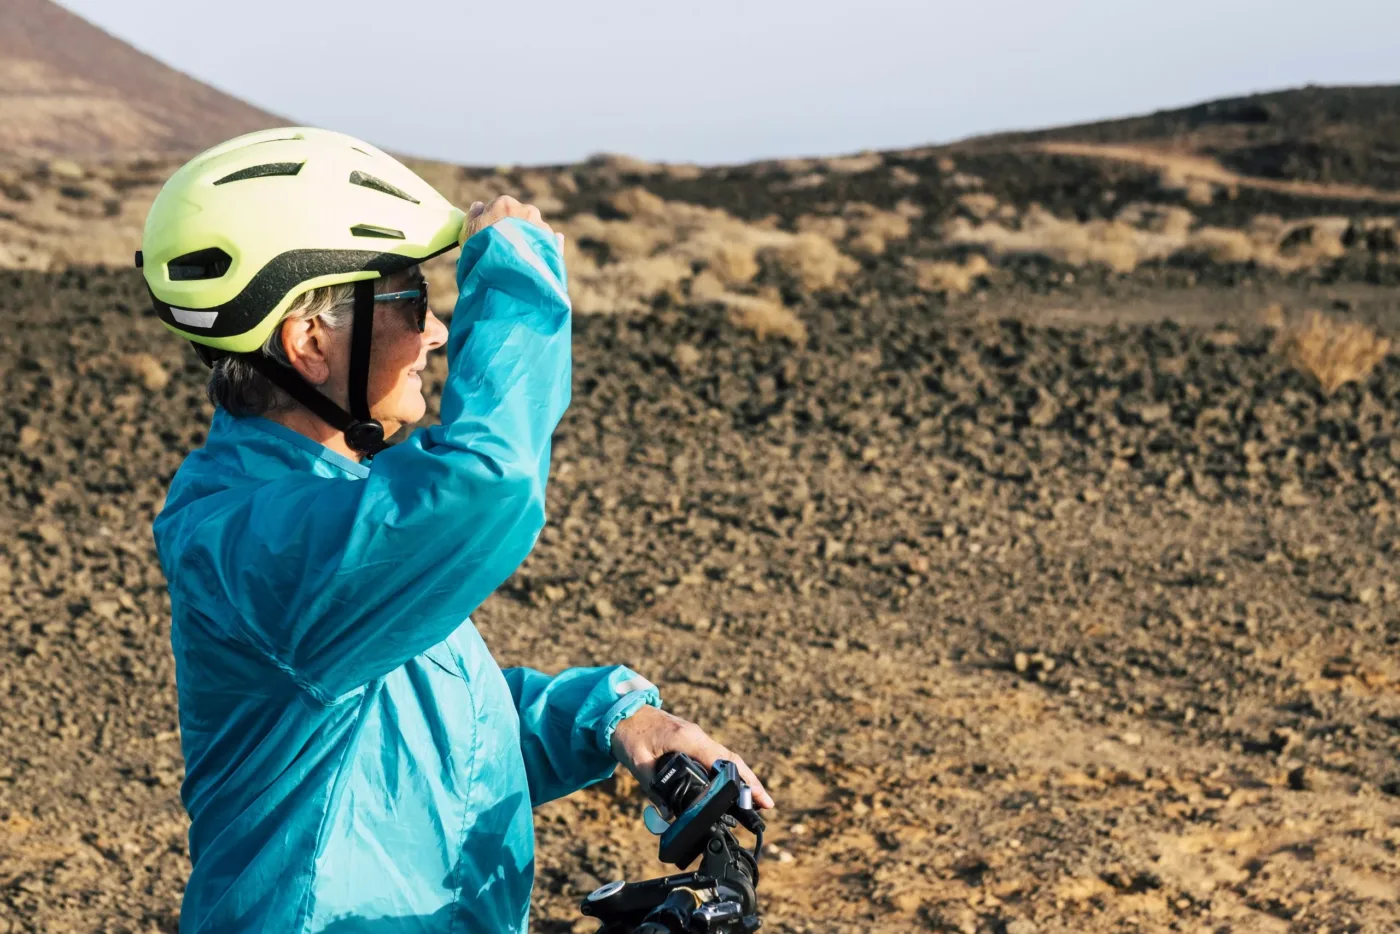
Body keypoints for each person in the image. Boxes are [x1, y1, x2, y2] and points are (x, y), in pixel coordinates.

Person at [138, 127, 773, 934]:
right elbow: (487, 482)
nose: (436, 332)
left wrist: (612, 717)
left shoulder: (324, 500)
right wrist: (511, 274)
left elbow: (428, 729)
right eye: (410, 301)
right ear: (308, 342)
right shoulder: (253, 543)